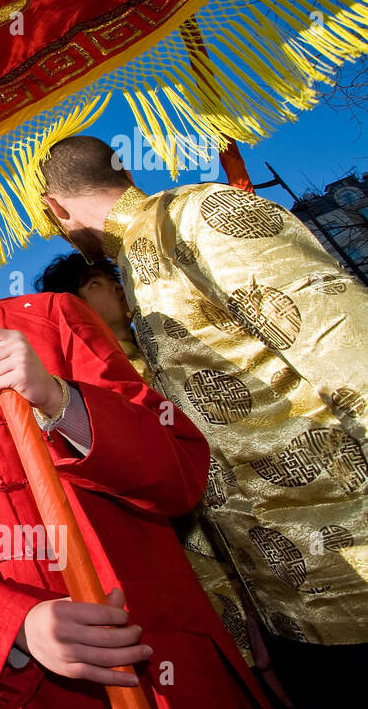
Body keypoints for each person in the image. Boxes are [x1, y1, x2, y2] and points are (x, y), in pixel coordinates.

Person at [0, 188, 269, 709]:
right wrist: (13, 625)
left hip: (149, 641)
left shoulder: (53, 317)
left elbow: (176, 473)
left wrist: (60, 400)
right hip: (23, 688)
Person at [36, 136, 368, 709]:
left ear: (54, 209)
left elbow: (343, 343)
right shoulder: (136, 268)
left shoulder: (198, 216)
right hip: (297, 602)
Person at [35, 251, 280, 684]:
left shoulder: (174, 350)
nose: (113, 289)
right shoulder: (80, 390)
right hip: (181, 555)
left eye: (110, 281)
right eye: (93, 284)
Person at [34, 253, 144, 379]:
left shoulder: (161, 345)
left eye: (112, 279)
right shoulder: (85, 382)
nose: (117, 286)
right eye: (95, 284)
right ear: (74, 308)